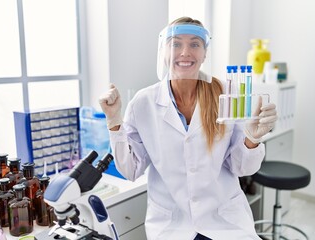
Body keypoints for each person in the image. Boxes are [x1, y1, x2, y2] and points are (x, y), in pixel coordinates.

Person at [99, 17, 277, 240]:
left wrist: (252, 139)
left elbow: (241, 168)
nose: (185, 52)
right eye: (175, 44)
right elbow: (131, 170)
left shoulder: (226, 93)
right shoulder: (143, 102)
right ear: (163, 51)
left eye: (194, 44)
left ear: (205, 53)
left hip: (224, 222)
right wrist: (114, 121)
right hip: (172, 225)